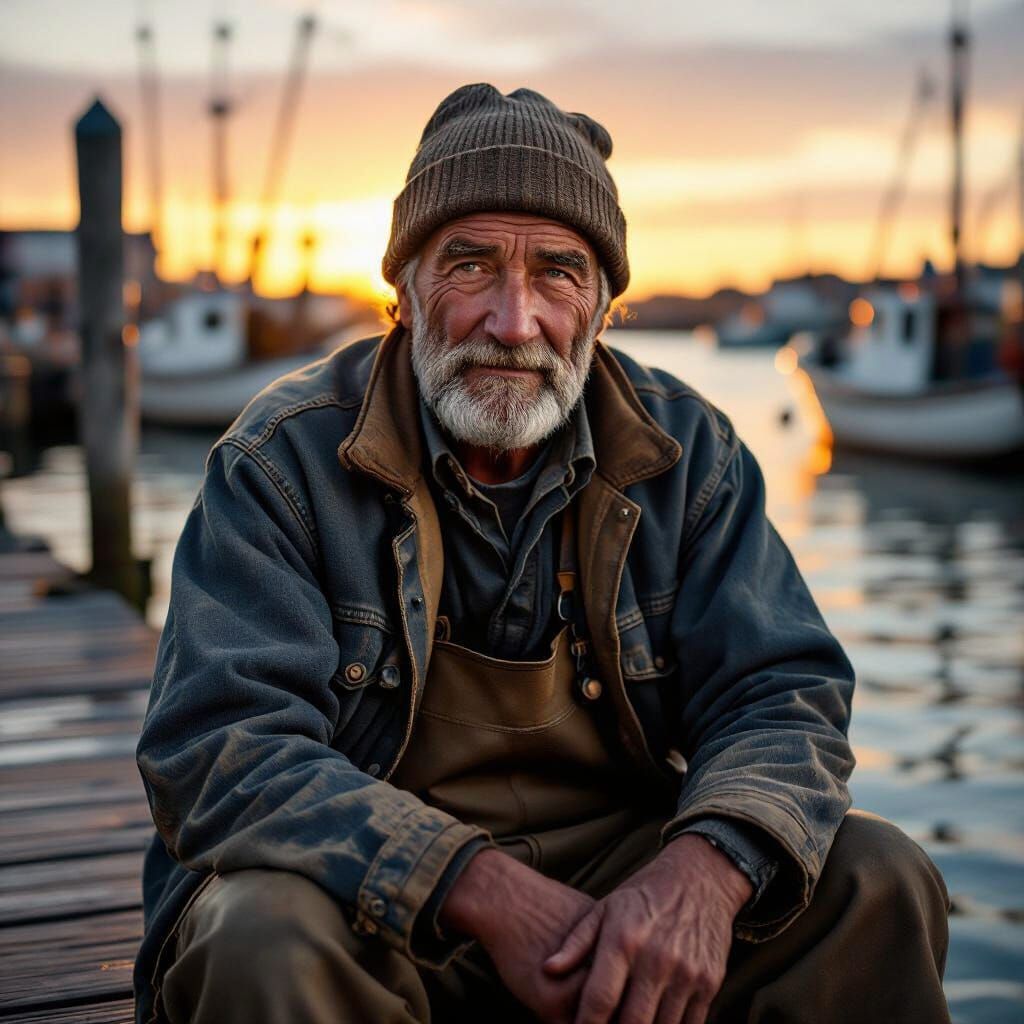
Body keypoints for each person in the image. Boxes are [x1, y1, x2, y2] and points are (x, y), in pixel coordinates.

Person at [134, 84, 950, 1024]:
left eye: (557, 273)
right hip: (370, 908)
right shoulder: (281, 463)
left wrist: (702, 871)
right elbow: (219, 749)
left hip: (617, 890)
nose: (514, 322)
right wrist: (473, 884)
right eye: (471, 265)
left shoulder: (690, 456)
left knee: (874, 876)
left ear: (604, 305)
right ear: (402, 289)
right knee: (261, 933)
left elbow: (784, 695)